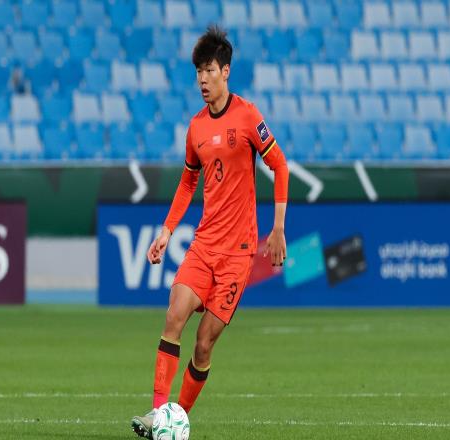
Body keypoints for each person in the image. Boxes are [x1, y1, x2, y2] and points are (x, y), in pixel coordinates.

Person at [131, 26, 289, 439]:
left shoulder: (249, 117)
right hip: (203, 245)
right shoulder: (196, 127)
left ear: (226, 71)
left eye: (209, 70)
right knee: (174, 316)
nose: (202, 79)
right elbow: (188, 181)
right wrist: (167, 230)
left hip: (238, 253)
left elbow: (280, 166)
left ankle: (177, 418)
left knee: (204, 344)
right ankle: (158, 415)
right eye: (198, 72)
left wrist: (278, 228)